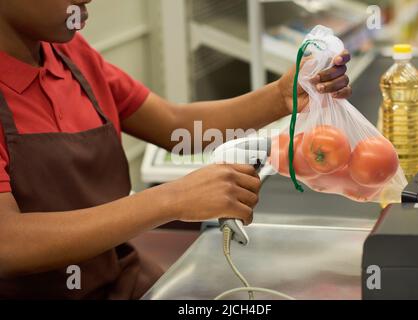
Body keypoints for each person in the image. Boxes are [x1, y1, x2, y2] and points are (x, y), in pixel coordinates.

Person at [0, 0, 352, 299]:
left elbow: (174, 126)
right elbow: (8, 244)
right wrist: (173, 200)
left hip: (121, 281)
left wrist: (281, 96)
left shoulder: (69, 53)